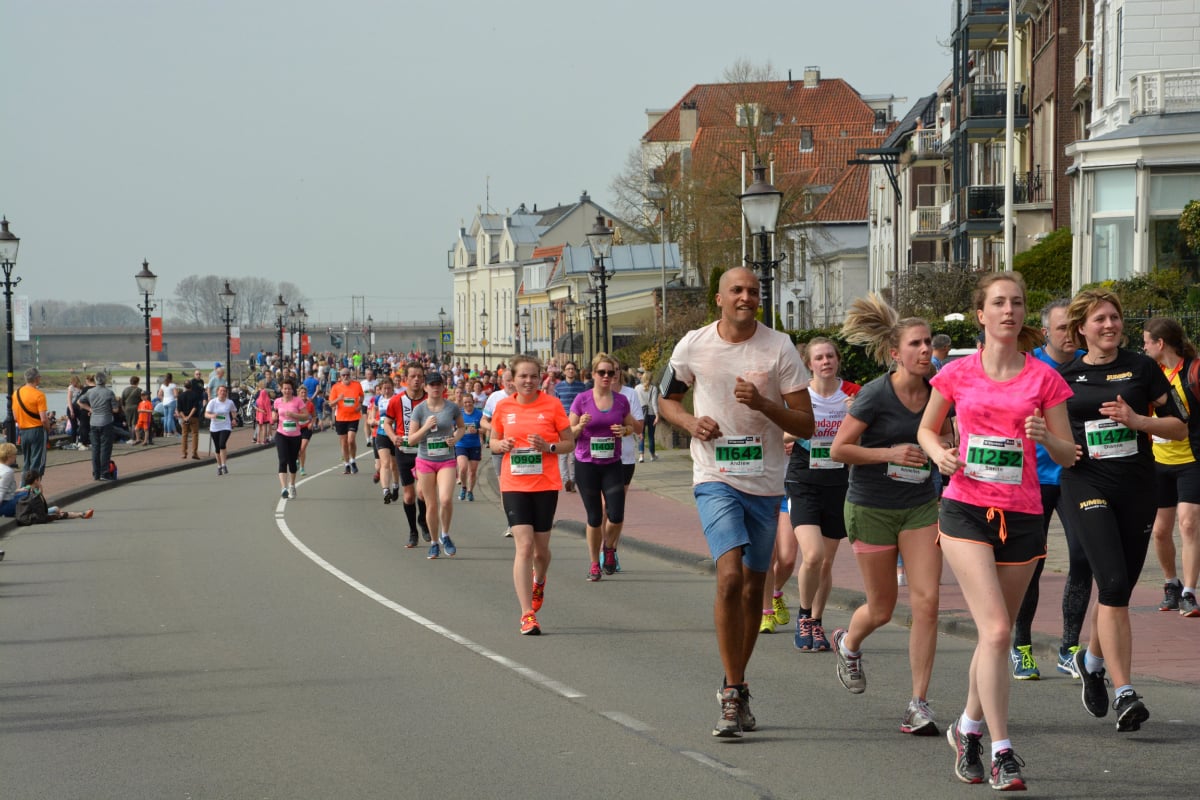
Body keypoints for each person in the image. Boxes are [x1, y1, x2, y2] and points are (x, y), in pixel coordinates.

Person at [918, 272, 1076, 790]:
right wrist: (938, 451)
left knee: (993, 635)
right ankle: (1002, 751)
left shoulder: (1045, 379)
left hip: (1024, 514)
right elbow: (927, 426)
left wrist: (1044, 438)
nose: (1010, 310)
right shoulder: (957, 374)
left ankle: (966, 727)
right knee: (1000, 632)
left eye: (1018, 303)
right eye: (999, 303)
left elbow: (1069, 453)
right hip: (965, 508)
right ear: (981, 315)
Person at [657, 266, 813, 739]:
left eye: (753, 291)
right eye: (737, 291)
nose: (747, 297)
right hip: (714, 476)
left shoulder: (779, 347)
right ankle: (730, 697)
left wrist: (765, 405)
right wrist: (689, 424)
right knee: (728, 576)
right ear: (720, 298)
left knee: (751, 588)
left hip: (764, 483)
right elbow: (666, 400)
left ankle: (735, 683)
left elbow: (806, 425)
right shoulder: (693, 344)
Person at [1059, 289, 1186, 734]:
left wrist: (1139, 422)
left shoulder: (1142, 367)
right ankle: (1125, 690)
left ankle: (1090, 661)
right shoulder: (1065, 376)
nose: (1110, 325)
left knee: (1119, 592)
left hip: (1136, 484)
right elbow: (1046, 433)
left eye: (1114, 317)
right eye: (1099, 319)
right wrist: (1052, 443)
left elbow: (1180, 423)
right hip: (1085, 483)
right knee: (1110, 581)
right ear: (1082, 328)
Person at [831, 296, 950, 740]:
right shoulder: (875, 394)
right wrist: (889, 452)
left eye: (928, 344)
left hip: (919, 505)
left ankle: (918, 703)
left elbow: (948, 432)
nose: (925, 351)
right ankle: (848, 643)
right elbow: (838, 449)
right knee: (882, 608)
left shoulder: (942, 390)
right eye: (915, 344)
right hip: (871, 506)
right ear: (896, 353)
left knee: (927, 602)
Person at [1012, 299, 1090, 681]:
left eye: (1076, 328)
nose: (1071, 335)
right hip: (1035, 480)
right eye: (1063, 329)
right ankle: (1021, 646)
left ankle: (1069, 647)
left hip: (1077, 477)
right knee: (1031, 565)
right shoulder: (1030, 367)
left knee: (1083, 557)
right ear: (1046, 332)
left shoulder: (1087, 366)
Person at [490, 355, 574, 634]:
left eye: (533, 376)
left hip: (545, 484)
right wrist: (500, 444)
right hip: (513, 484)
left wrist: (548, 446)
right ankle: (527, 614)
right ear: (511, 379)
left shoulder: (552, 405)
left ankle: (540, 579)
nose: (528, 381)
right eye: (523, 376)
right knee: (523, 546)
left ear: (540, 378)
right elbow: (492, 441)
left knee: (541, 551)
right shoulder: (503, 406)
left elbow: (568, 443)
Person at [785, 337, 860, 652]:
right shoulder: (800, 395)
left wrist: (854, 418)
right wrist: (807, 428)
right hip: (803, 480)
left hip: (838, 482)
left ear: (838, 359)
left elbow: (867, 436)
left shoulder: (854, 394)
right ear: (809, 363)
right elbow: (782, 433)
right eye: (819, 357)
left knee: (826, 562)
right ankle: (803, 616)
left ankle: (816, 621)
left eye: (830, 355)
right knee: (812, 555)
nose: (826, 361)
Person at [1142, 316, 1200, 618]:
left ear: (1160, 343)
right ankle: (1171, 584)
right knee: (1160, 532)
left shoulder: (1193, 371)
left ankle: (1190, 592)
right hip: (1159, 462)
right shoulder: (1151, 374)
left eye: (1146, 341)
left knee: (1188, 523)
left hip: (1191, 460)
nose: (1143, 346)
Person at [569, 352, 639, 581]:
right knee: (594, 516)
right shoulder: (582, 400)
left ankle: (609, 548)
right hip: (587, 464)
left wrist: (624, 431)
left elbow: (631, 427)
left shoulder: (621, 400)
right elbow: (569, 434)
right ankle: (593, 563)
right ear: (593, 374)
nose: (607, 376)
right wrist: (580, 425)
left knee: (616, 514)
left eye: (611, 372)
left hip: (612, 463)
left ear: (617, 374)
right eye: (602, 372)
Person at [407, 371, 465, 559]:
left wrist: (455, 438)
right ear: (426, 388)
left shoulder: (452, 407)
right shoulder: (420, 410)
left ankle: (445, 535)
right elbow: (411, 440)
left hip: (446, 459)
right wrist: (425, 427)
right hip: (425, 460)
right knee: (431, 505)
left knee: (446, 499)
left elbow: (462, 427)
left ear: (443, 387)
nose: (436, 388)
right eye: (432, 385)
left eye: (438, 384)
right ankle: (433, 543)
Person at [383, 362, 431, 546]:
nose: (417, 379)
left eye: (420, 376)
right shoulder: (396, 400)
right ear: (406, 379)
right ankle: (413, 531)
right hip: (404, 450)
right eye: (413, 376)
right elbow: (387, 423)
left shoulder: (430, 400)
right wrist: (392, 436)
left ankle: (423, 522)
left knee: (422, 492)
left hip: (425, 450)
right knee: (409, 495)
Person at [481, 367, 516, 538]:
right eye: (507, 380)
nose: (510, 383)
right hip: (500, 448)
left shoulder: (526, 397)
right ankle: (511, 523)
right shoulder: (495, 398)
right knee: (505, 488)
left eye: (512, 379)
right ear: (502, 382)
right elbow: (483, 421)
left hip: (520, 450)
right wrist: (496, 431)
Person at [272, 377, 309, 499]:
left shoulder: (298, 401)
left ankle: (292, 485)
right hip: (281, 434)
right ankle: (283, 488)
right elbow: (274, 413)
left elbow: (306, 417)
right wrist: (273, 417)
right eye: (284, 388)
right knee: (282, 460)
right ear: (281, 390)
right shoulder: (277, 401)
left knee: (292, 463)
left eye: (289, 388)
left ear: (292, 390)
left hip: (295, 436)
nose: (287, 391)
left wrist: (294, 415)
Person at [77, 373, 118, 482]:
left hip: (94, 422)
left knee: (95, 448)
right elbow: (115, 409)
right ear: (105, 381)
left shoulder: (90, 392)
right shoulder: (109, 392)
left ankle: (96, 473)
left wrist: (90, 409)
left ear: (96, 381)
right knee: (105, 448)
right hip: (106, 422)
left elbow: (79, 402)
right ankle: (104, 473)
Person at [554, 361, 586, 492]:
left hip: (576, 423)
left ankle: (572, 481)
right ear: (564, 371)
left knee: (573, 453)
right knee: (562, 454)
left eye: (573, 369)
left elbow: (585, 404)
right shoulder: (558, 387)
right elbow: (555, 405)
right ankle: (565, 479)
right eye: (568, 369)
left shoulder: (582, 387)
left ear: (576, 371)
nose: (571, 371)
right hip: (562, 422)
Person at [14, 470, 94, 522]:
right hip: (35, 514)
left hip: (32, 512)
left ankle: (81, 514)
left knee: (56, 509)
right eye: (39, 479)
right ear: (36, 480)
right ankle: (81, 514)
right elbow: (40, 501)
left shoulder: (25, 489)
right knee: (56, 510)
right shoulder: (31, 491)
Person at [13, 367, 50, 476]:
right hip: (37, 430)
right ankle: (34, 489)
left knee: (27, 461)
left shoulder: (16, 394)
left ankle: (24, 487)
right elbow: (43, 418)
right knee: (37, 462)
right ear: (37, 379)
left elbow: (15, 416)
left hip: (23, 431)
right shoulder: (39, 395)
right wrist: (47, 428)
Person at [328, 367, 366, 474]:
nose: (346, 377)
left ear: (350, 375)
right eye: (343, 375)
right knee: (344, 443)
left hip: (353, 417)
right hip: (341, 418)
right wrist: (338, 399)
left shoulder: (357, 385)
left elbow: (362, 396)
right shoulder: (336, 387)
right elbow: (331, 404)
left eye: (347, 375)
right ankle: (347, 464)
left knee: (351, 440)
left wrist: (360, 404)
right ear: (340, 377)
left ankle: (353, 460)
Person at [372, 377, 398, 502]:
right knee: (385, 463)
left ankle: (396, 485)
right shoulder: (378, 399)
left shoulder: (398, 398)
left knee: (394, 465)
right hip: (381, 433)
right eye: (384, 389)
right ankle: (386, 490)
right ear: (380, 390)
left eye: (389, 388)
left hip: (395, 434)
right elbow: (373, 414)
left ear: (392, 388)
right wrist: (373, 420)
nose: (386, 391)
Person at [456, 391, 483, 501]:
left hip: (474, 445)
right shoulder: (459, 414)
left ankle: (470, 491)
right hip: (461, 444)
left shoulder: (479, 414)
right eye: (465, 402)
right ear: (462, 403)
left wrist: (476, 431)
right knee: (463, 468)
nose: (468, 404)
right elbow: (453, 428)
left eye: (469, 402)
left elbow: (484, 429)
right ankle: (463, 487)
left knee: (472, 471)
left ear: (473, 402)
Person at [205, 384, 238, 475]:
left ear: (226, 393)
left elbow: (233, 411)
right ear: (217, 392)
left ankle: (224, 465)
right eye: (221, 391)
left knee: (222, 444)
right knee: (217, 448)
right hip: (214, 427)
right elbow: (206, 414)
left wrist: (234, 419)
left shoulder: (229, 402)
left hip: (226, 426)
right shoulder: (212, 402)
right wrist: (212, 415)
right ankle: (219, 466)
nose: (222, 392)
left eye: (224, 391)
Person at [634, 369, 660, 463]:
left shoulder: (637, 388)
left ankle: (641, 456)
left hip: (640, 415)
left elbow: (635, 403)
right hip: (651, 414)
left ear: (643, 378)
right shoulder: (654, 388)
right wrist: (657, 415)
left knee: (641, 435)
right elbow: (654, 403)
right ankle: (652, 455)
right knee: (651, 436)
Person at [177, 379, 204, 460]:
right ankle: (194, 453)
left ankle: (184, 453)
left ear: (184, 386)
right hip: (194, 417)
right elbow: (195, 407)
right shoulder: (195, 395)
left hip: (184, 417)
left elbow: (179, 409)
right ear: (191, 386)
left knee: (184, 435)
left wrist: (185, 417)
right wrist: (189, 416)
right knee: (195, 434)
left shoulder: (180, 396)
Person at [297, 382, 316, 475]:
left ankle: (302, 468)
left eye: (305, 393)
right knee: (297, 449)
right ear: (299, 394)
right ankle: (297, 460)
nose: (303, 394)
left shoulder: (310, 404)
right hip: (296, 429)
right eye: (302, 393)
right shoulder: (295, 404)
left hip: (307, 428)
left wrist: (312, 423)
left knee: (302, 448)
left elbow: (314, 416)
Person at [0, 443, 20, 518]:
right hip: (4, 505)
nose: (16, 456)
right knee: (29, 497)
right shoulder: (8, 471)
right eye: (15, 454)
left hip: (6, 499)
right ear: (9, 457)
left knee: (24, 492)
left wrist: (19, 490)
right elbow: (1, 491)